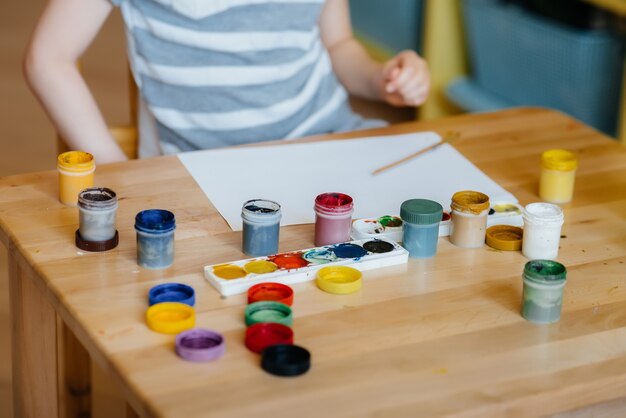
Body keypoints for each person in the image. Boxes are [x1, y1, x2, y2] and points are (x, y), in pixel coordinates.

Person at [24, 0, 430, 163]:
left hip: (326, 140)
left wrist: (380, 80)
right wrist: (114, 168)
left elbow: (338, 44)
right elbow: (48, 59)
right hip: (202, 171)